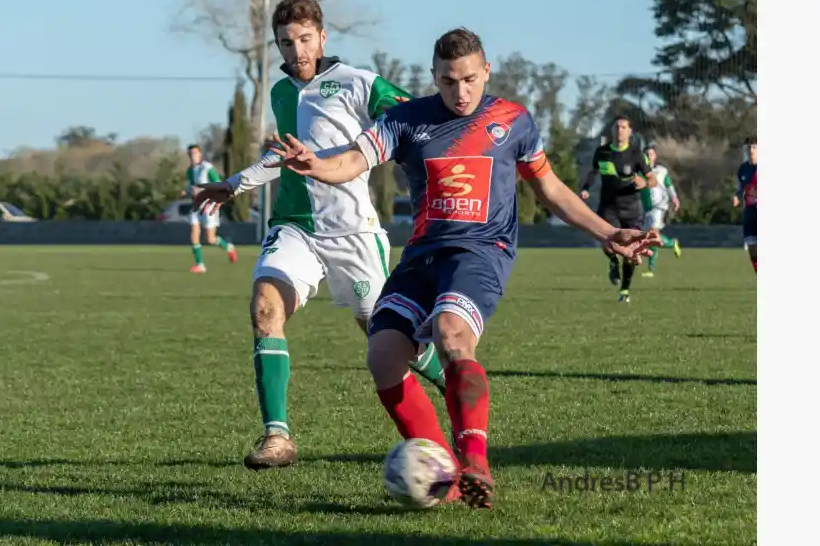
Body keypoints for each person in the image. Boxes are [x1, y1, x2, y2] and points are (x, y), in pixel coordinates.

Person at [262, 27, 659, 509]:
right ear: (434, 77)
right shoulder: (406, 119)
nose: (461, 92)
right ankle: (443, 476)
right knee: (383, 355)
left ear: (486, 71)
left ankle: (474, 464)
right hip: (422, 254)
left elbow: (550, 189)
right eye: (449, 82)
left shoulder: (513, 121)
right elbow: (350, 160)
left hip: (480, 252)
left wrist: (607, 233)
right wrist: (315, 164)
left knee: (452, 335)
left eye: (470, 79)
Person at [191, 0, 445, 471]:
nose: (297, 50)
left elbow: (414, 118)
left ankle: (452, 382)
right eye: (287, 42)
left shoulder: (357, 82)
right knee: (265, 307)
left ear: (323, 37)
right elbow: (286, 156)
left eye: (305, 39)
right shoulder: (282, 93)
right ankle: (278, 437)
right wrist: (234, 183)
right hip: (296, 228)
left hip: (352, 232)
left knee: (384, 337)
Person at [577, 116, 656, 303]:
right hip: (609, 206)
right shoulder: (602, 152)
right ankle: (613, 262)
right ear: (612, 131)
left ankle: (625, 290)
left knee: (631, 251)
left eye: (623, 127)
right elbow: (593, 172)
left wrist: (644, 183)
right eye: (617, 127)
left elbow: (652, 180)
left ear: (630, 132)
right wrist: (586, 188)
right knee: (608, 240)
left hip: (631, 208)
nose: (619, 130)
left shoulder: (637, 154)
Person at [183, 144, 238, 272]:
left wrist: (203, 189)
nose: (193, 156)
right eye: (190, 154)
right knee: (194, 234)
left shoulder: (207, 168)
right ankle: (200, 265)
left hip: (209, 206)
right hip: (196, 206)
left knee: (210, 239)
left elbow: (219, 185)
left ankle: (229, 247)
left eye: (195, 153)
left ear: (200, 154)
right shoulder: (190, 170)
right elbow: (191, 187)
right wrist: (187, 191)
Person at [640, 144, 682, 277]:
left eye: (651, 154)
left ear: (655, 156)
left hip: (659, 206)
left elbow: (669, 186)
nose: (648, 157)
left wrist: (674, 198)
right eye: (646, 155)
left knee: (652, 234)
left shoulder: (661, 171)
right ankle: (671, 243)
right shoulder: (640, 172)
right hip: (646, 207)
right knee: (651, 238)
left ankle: (651, 269)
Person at [733, 137, 757, 272]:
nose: (751, 150)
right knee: (752, 249)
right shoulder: (743, 169)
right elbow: (739, 187)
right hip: (749, 211)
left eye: (754, 147)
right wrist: (736, 196)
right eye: (749, 148)